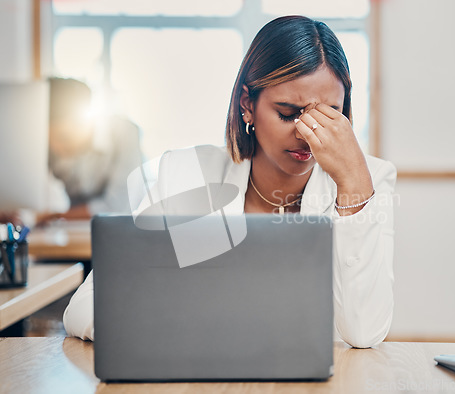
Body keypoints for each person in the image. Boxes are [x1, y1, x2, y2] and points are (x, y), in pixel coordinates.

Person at [64, 15, 396, 348]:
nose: (307, 133)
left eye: (328, 115)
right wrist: (172, 329)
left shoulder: (371, 181)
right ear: (247, 105)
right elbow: (86, 305)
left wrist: (353, 186)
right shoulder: (185, 174)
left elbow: (364, 331)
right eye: (288, 112)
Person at [37, 77, 143, 223]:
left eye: (63, 138)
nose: (56, 148)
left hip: (124, 232)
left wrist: (57, 217)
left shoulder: (125, 133)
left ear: (82, 121)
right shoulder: (56, 144)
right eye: (50, 141)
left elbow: (116, 208)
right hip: (75, 233)